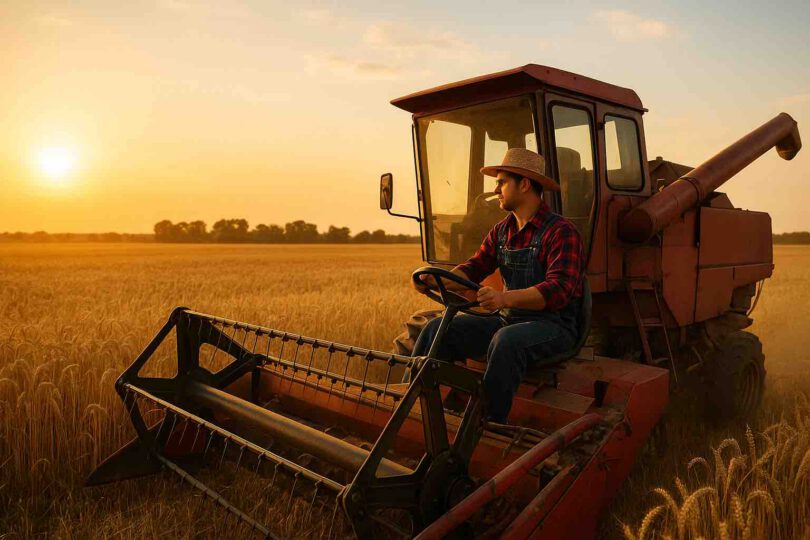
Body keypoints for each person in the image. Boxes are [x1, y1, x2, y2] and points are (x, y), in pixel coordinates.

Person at [411, 148, 586, 423]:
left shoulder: (561, 232)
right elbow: (475, 266)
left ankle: (485, 423)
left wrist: (505, 299)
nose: (495, 189)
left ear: (525, 184)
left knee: (506, 341)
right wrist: (436, 279)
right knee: (436, 329)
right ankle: (419, 409)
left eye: (502, 181)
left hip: (553, 326)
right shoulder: (502, 231)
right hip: (509, 320)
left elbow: (559, 289)